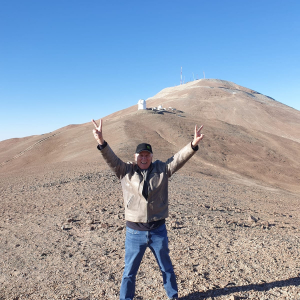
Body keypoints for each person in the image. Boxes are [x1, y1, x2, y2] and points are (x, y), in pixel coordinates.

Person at [92, 118, 204, 300]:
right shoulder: (125, 170)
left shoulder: (162, 169)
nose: (144, 158)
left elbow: (178, 159)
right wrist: (101, 142)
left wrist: (192, 145)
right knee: (129, 272)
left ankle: (172, 296)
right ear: (135, 157)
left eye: (147, 155)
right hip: (134, 232)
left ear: (151, 157)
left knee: (166, 267)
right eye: (140, 156)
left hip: (158, 230)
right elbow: (110, 158)